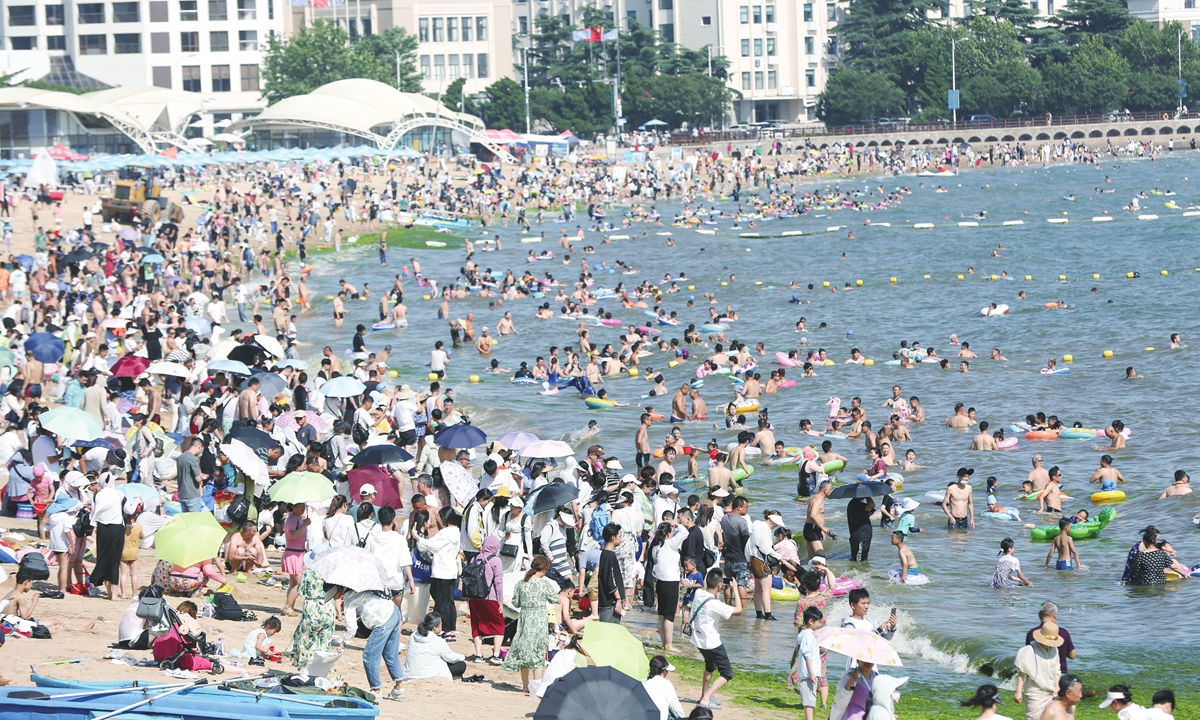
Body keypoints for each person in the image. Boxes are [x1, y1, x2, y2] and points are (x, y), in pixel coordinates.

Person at [503, 555, 562, 694]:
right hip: (539, 620)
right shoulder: (544, 584)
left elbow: (516, 603)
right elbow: (556, 599)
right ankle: (536, 687)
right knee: (538, 655)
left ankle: (525, 686)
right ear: (545, 569)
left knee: (525, 652)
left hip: (524, 620)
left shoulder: (521, 584)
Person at [690, 567, 744, 710]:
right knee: (727, 673)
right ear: (720, 585)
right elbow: (739, 609)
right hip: (712, 643)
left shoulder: (698, 593)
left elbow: (709, 595)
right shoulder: (715, 604)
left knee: (710, 667)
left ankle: (703, 696)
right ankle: (706, 698)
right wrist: (735, 589)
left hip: (698, 640)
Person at [418, 506, 462, 640]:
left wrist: (417, 536)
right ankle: (450, 629)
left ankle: (442, 629)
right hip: (450, 571)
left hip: (442, 571)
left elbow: (429, 545)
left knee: (441, 602)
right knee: (448, 601)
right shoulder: (456, 531)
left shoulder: (445, 533)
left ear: (444, 519)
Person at [1014, 622, 1065, 720]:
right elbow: (1021, 673)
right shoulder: (1029, 650)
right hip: (1035, 694)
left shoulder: (1055, 650)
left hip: (1052, 693)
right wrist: (1018, 692)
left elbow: (1057, 670)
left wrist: (1057, 686)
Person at [467, 537, 505, 664]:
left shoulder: (474, 558)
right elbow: (498, 582)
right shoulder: (496, 560)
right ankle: (496, 654)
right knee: (499, 625)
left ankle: (478, 654)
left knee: (476, 625)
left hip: (473, 597)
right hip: (490, 597)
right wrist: (500, 601)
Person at [290, 567, 336, 671]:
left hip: (312, 606)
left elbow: (301, 590)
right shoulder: (332, 571)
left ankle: (308, 669)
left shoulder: (307, 572)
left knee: (307, 640)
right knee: (325, 642)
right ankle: (321, 671)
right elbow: (336, 592)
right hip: (328, 607)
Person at [88, 474, 125, 601]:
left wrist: (92, 525)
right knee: (114, 561)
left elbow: (96, 511)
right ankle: (113, 594)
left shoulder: (99, 494)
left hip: (103, 528)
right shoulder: (117, 493)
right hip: (117, 528)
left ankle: (109, 592)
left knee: (103, 558)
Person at [404, 612, 467, 682]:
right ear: (435, 628)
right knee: (461, 665)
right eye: (441, 625)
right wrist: (462, 657)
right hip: (429, 675)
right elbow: (451, 658)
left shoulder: (413, 635)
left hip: (410, 674)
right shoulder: (438, 640)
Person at [748, 510, 785, 620]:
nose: (776, 525)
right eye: (776, 523)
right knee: (766, 590)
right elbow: (765, 548)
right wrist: (779, 557)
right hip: (762, 561)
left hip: (754, 560)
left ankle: (759, 613)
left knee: (758, 589)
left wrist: (749, 560)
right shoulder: (765, 530)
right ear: (771, 520)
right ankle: (768, 614)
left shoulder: (756, 528)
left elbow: (748, 546)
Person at [791, 606, 824, 720]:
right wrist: (812, 673)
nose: (819, 624)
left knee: (809, 701)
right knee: (809, 702)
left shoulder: (804, 634)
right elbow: (807, 654)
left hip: (808, 674)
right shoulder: (809, 636)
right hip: (809, 674)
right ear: (811, 621)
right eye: (818, 621)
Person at [1024, 603, 1076, 673]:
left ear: (1039, 616)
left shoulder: (1032, 633)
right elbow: (1072, 656)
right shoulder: (1064, 633)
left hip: (1038, 674)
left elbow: (1028, 655)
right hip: (1060, 673)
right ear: (1055, 616)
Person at [281, 503, 310, 615]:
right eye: (299, 506)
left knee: (294, 583)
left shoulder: (298, 518)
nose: (302, 508)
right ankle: (288, 606)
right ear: (293, 507)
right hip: (293, 553)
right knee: (300, 583)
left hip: (298, 553)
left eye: (303, 506)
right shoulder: (291, 519)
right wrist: (305, 525)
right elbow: (293, 535)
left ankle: (290, 606)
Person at [596, 523, 628, 623]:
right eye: (620, 535)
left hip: (611, 602)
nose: (621, 538)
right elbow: (611, 580)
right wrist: (618, 599)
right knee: (609, 633)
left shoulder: (606, 554)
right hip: (610, 603)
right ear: (613, 538)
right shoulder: (609, 556)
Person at [643, 655, 687, 720]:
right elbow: (675, 707)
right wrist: (684, 718)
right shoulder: (665, 684)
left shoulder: (642, 682)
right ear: (664, 672)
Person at [847, 497, 876, 561]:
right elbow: (872, 505)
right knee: (859, 561)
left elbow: (858, 517)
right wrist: (868, 496)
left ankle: (863, 571)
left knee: (862, 559)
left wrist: (867, 514)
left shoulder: (857, 504)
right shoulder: (855, 504)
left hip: (863, 535)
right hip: (860, 536)